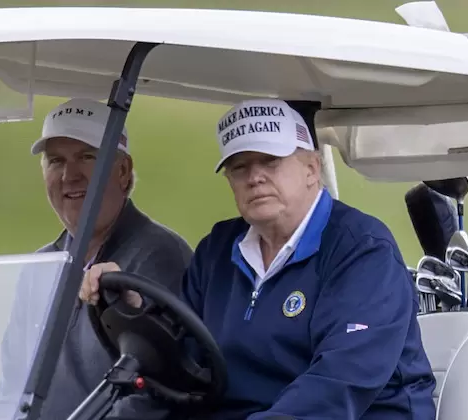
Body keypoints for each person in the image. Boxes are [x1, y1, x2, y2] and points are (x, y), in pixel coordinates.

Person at [80, 98, 437, 419]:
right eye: (239, 167)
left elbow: (341, 380)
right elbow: (185, 360)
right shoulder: (218, 249)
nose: (255, 178)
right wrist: (135, 310)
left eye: (270, 161)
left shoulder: (363, 250)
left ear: (311, 169)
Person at [0, 98, 193, 420]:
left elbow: (157, 392)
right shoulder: (40, 267)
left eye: (87, 157)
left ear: (123, 171)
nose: (69, 175)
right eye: (56, 161)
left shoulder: (159, 256)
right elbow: (12, 385)